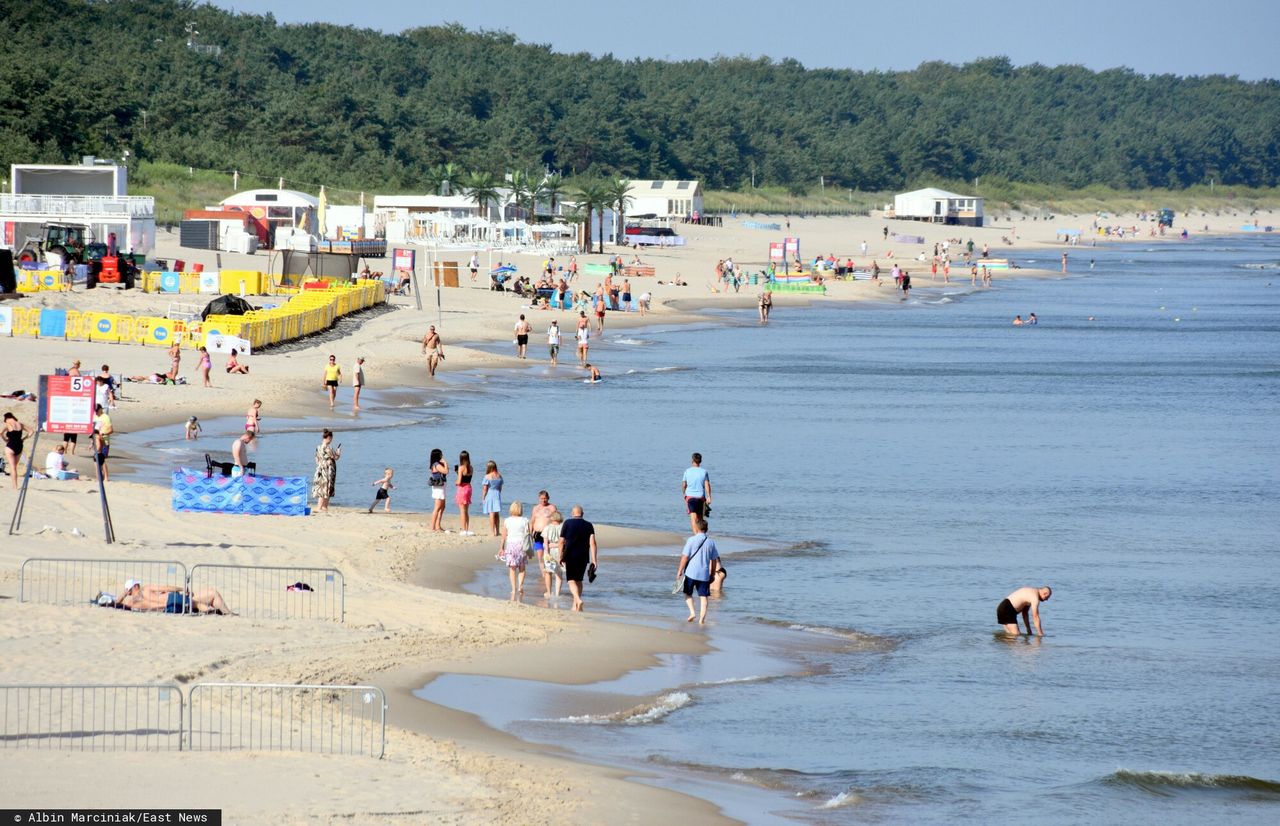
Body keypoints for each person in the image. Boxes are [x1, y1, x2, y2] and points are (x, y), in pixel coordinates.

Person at [676, 518, 721, 624]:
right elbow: (713, 560)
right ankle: (702, 620)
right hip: (704, 574)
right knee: (703, 597)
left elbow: (685, 557)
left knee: (687, 593)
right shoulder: (711, 543)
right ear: (707, 529)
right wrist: (712, 574)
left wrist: (680, 570)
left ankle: (692, 612)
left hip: (691, 573)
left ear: (696, 528)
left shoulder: (691, 540)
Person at [558, 505, 598, 612]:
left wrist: (560, 556)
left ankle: (578, 600)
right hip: (583, 557)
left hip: (570, 555)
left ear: (572, 514)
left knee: (571, 580)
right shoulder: (589, 525)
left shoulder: (567, 523)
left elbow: (561, 541)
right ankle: (575, 606)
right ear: (582, 514)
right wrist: (594, 560)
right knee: (579, 581)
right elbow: (592, 543)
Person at [118, 579, 233, 615]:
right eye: (137, 584)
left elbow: (115, 604)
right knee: (197, 603)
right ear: (135, 586)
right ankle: (217, 613)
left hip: (167, 609)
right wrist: (182, 589)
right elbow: (166, 588)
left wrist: (123, 595)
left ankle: (221, 613)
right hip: (172, 599)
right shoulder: (145, 589)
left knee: (209, 594)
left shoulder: (131, 602)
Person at [498, 501, 531, 601]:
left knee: (512, 568)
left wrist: (501, 547)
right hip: (522, 545)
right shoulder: (525, 520)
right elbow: (528, 534)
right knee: (522, 567)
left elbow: (504, 535)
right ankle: (520, 586)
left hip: (511, 545)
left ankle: (513, 589)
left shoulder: (507, 520)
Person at [682, 452, 712, 534]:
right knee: (700, 519)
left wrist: (684, 494)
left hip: (690, 498)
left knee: (693, 519)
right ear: (700, 461)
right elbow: (707, 485)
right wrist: (709, 496)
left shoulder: (687, 471)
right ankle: (701, 536)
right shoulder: (704, 472)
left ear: (692, 460)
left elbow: (684, 485)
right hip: (701, 498)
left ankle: (696, 537)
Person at [312, 429, 341, 512]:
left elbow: (316, 460)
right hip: (328, 470)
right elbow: (336, 457)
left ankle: (323, 507)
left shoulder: (318, 447)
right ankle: (321, 507)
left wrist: (321, 464)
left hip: (320, 469)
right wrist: (338, 452)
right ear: (329, 437)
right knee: (326, 488)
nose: (331, 440)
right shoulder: (328, 447)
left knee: (322, 487)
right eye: (331, 438)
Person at [3, 412, 30, 489]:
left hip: (10, 446)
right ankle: (15, 486)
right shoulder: (20, 424)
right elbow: (31, 431)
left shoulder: (8, 424)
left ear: (7, 418)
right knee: (15, 466)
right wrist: (24, 439)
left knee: (12, 467)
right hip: (19, 446)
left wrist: (5, 439)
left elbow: (1, 433)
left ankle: (15, 486)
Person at [454, 450, 474, 535]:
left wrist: (455, 481)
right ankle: (467, 528)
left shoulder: (461, 468)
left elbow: (459, 482)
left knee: (462, 511)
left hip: (462, 489)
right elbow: (466, 478)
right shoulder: (471, 467)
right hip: (469, 488)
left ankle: (463, 529)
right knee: (466, 511)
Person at [481, 460, 503, 536]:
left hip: (490, 494)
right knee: (497, 513)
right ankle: (497, 530)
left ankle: (492, 532)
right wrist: (499, 493)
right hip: (497, 494)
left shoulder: (487, 476)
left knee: (491, 513)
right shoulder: (499, 475)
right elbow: (500, 487)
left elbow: (485, 488)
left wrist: (483, 497)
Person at [429, 447, 448, 532]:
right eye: (441, 454)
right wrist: (446, 463)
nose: (442, 455)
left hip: (441, 486)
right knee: (437, 507)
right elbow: (445, 471)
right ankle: (433, 527)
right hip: (438, 487)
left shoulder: (436, 464)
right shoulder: (436, 464)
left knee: (442, 506)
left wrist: (444, 464)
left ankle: (438, 525)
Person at [92, 404, 112, 482]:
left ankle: (105, 478)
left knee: (102, 460)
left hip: (104, 440)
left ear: (100, 409)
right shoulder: (94, 416)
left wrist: (103, 433)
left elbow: (111, 430)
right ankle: (100, 478)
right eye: (95, 411)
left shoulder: (106, 417)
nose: (96, 412)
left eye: (97, 411)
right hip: (96, 439)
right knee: (97, 460)